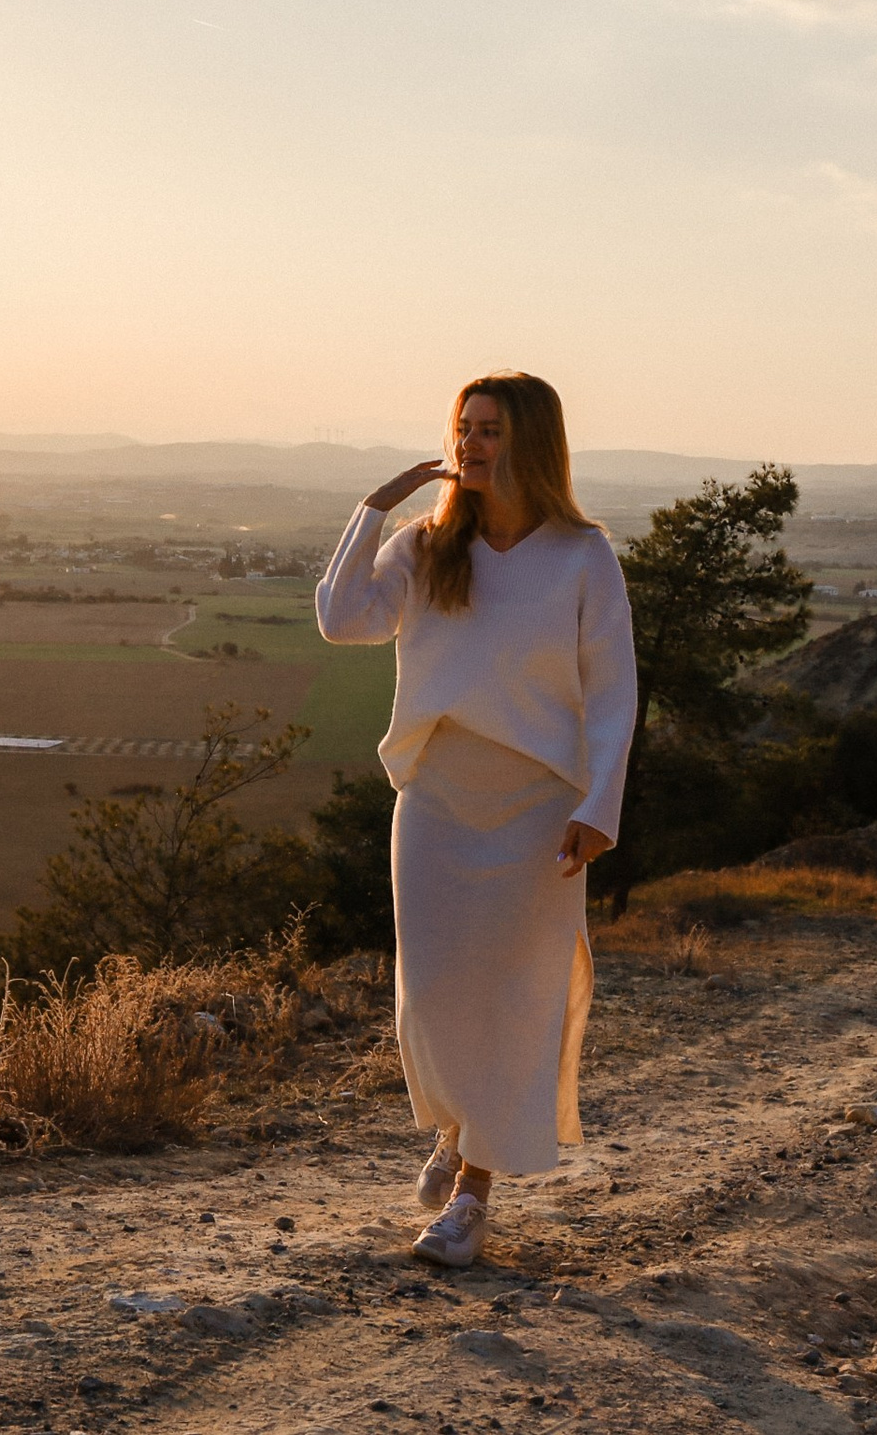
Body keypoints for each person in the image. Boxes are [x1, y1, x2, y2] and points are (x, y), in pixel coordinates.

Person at [315, 371, 635, 1268]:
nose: (472, 445)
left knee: (517, 996)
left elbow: (614, 695)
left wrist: (597, 807)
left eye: (490, 430)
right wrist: (373, 509)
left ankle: (472, 1193)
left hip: (539, 808)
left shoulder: (583, 556)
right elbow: (343, 621)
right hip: (437, 798)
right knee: (433, 995)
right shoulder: (424, 546)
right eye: (464, 428)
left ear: (532, 441)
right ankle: (458, 1128)